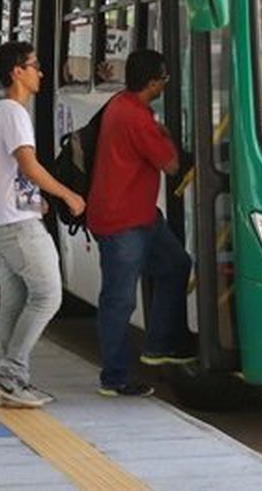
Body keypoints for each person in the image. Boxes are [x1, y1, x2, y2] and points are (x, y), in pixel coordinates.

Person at [0, 41, 86, 408]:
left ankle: (12, 385)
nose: (41, 72)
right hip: (16, 227)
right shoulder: (13, 113)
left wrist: (34, 200)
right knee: (47, 295)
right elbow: (27, 165)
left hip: (2, 220)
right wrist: (67, 195)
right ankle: (11, 371)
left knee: (15, 301)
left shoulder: (1, 112)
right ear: (17, 72)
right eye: (35, 65)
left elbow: (8, 173)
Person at [87, 48, 195, 398]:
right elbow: (171, 165)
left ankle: (160, 344)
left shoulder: (123, 104)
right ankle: (114, 377)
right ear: (152, 83)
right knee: (119, 300)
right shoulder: (137, 119)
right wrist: (165, 136)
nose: (165, 84)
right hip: (123, 222)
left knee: (176, 264)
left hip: (142, 216)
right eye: (164, 79)